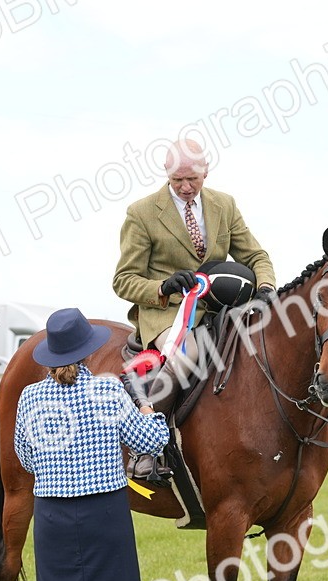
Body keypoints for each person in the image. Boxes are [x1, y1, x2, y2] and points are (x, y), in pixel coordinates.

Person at [13, 308, 169, 581]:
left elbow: (25, 457)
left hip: (52, 515)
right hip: (104, 514)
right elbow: (150, 442)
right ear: (86, 352)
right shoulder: (108, 389)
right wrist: (147, 408)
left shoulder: (29, 398)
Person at [111, 139, 275, 475]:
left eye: (192, 180)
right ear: (166, 173)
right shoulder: (141, 213)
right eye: (177, 180)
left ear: (206, 172)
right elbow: (123, 280)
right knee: (187, 355)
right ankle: (145, 447)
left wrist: (266, 289)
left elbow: (256, 256)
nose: (185, 187)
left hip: (220, 311)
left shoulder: (224, 205)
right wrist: (163, 287)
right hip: (167, 315)